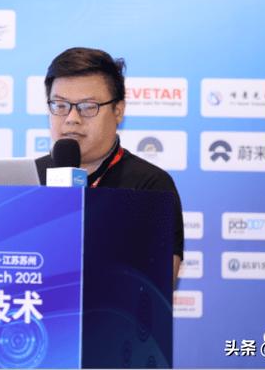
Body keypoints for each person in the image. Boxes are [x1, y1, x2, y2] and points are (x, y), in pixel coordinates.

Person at [35, 47, 184, 286]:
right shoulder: (28, 178)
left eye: (87, 107)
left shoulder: (149, 185)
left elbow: (157, 288)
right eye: (60, 106)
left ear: (118, 111)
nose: (72, 119)